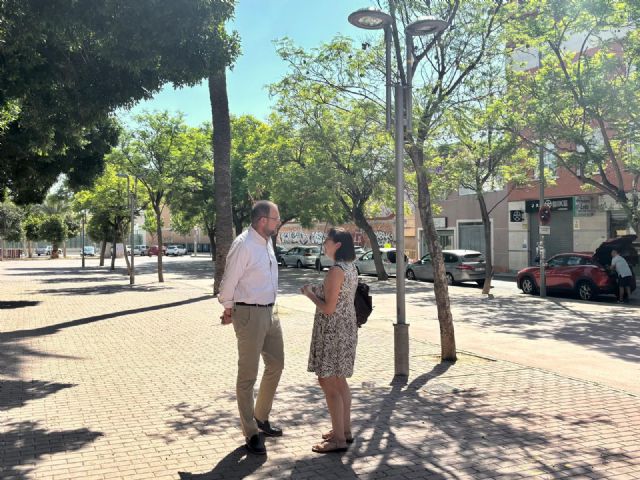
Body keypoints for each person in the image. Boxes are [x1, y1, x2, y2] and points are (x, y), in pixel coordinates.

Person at [218, 200, 284, 455]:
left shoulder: (266, 242)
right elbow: (228, 281)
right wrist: (228, 308)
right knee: (248, 376)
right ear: (262, 220)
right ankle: (251, 432)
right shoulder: (243, 244)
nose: (278, 222)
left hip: (270, 312)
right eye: (275, 218)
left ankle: (261, 416)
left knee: (276, 364)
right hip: (249, 313)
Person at [301, 228, 358, 453]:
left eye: (327, 241)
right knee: (339, 380)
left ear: (338, 245)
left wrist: (309, 294)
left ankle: (338, 441)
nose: (324, 244)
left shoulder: (336, 270)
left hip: (333, 333)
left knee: (328, 382)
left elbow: (328, 308)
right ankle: (343, 431)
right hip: (345, 330)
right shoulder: (350, 267)